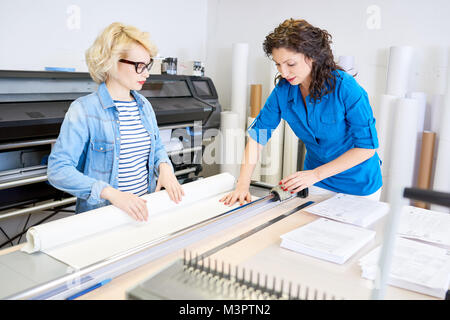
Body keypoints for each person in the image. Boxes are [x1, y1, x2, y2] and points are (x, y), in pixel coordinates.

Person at [220, 18, 382, 206]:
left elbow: (366, 148)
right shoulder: (284, 90)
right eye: (278, 64)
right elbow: (259, 135)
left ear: (312, 56)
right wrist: (242, 184)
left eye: (290, 64)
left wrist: (315, 174)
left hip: (359, 185)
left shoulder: (346, 88)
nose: (284, 72)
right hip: (317, 182)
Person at [48, 22, 184, 221]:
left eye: (148, 66)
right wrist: (111, 193)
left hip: (143, 214)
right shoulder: (84, 110)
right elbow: (58, 170)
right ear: (111, 62)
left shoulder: (144, 105)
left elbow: (156, 149)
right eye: (139, 66)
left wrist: (164, 167)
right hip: (104, 219)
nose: (146, 73)